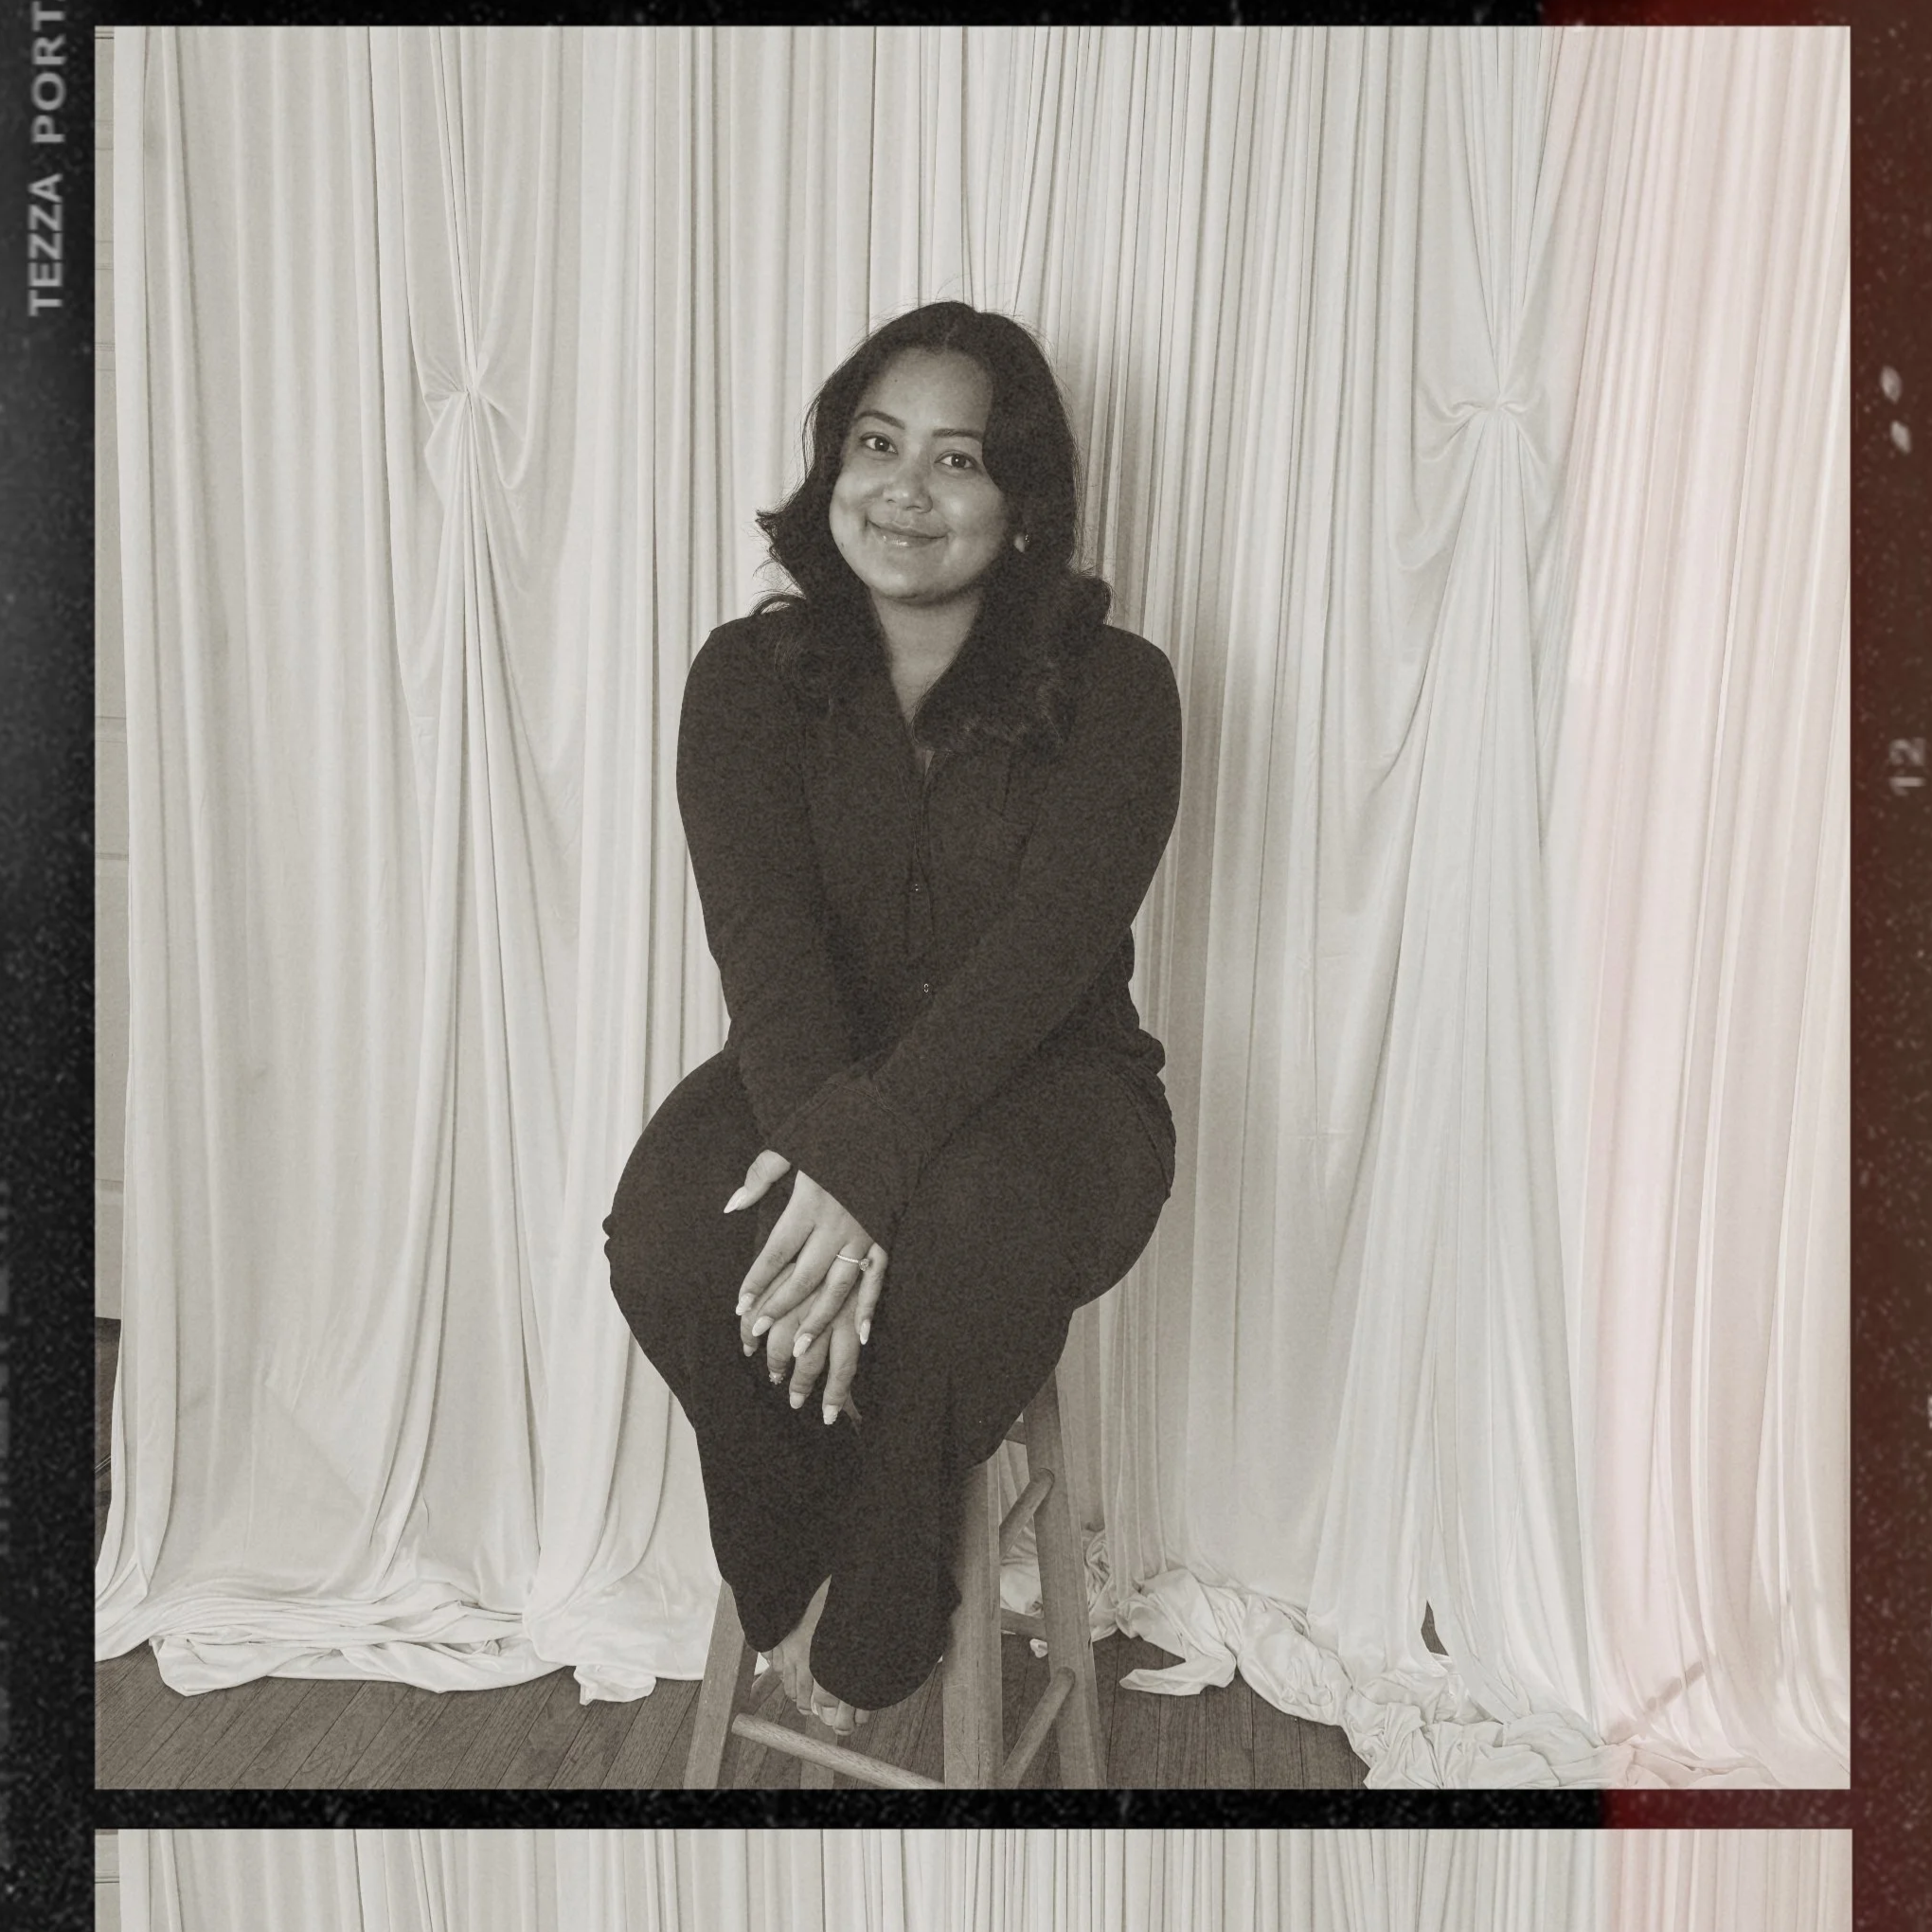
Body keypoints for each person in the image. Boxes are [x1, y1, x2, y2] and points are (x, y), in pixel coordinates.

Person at [604, 300, 1182, 1746]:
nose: (905, 489)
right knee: (671, 1229)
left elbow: (1038, 970)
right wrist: (835, 1159)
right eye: (876, 445)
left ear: (1022, 501)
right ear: (832, 468)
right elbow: (767, 954)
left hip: (1054, 1088)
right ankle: (798, 1569)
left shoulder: (1121, 691)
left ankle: (876, 1613)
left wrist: (863, 1177)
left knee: (961, 1241)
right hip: (807, 1064)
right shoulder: (744, 680)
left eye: (957, 458)